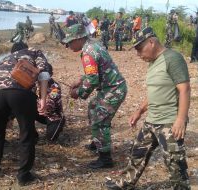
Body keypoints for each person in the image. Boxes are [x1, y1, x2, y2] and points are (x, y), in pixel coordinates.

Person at [106, 27, 191, 190]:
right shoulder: (153, 62)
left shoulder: (173, 58)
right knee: (137, 153)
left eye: (139, 48)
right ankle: (125, 183)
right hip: (151, 119)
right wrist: (139, 111)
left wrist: (180, 119)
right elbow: (155, 92)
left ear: (151, 42)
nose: (138, 54)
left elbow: (184, 89)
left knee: (174, 163)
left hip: (169, 122)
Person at [62, 24, 127, 169]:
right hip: (111, 87)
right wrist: (80, 80)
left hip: (114, 89)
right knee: (93, 106)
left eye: (70, 42)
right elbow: (94, 72)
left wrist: (77, 93)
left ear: (79, 38)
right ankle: (97, 141)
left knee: (100, 119)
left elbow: (93, 80)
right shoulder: (93, 45)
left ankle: (105, 159)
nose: (68, 46)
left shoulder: (87, 53)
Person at [0, 43, 51, 186]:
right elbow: (43, 75)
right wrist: (43, 99)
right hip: (19, 92)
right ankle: (23, 175)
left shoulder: (7, 57)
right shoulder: (35, 51)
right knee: (26, 132)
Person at [35, 63, 65, 142]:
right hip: (39, 111)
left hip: (53, 114)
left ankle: (58, 126)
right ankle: (33, 135)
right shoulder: (34, 84)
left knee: (51, 139)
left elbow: (50, 103)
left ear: (51, 74)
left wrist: (41, 107)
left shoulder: (55, 86)